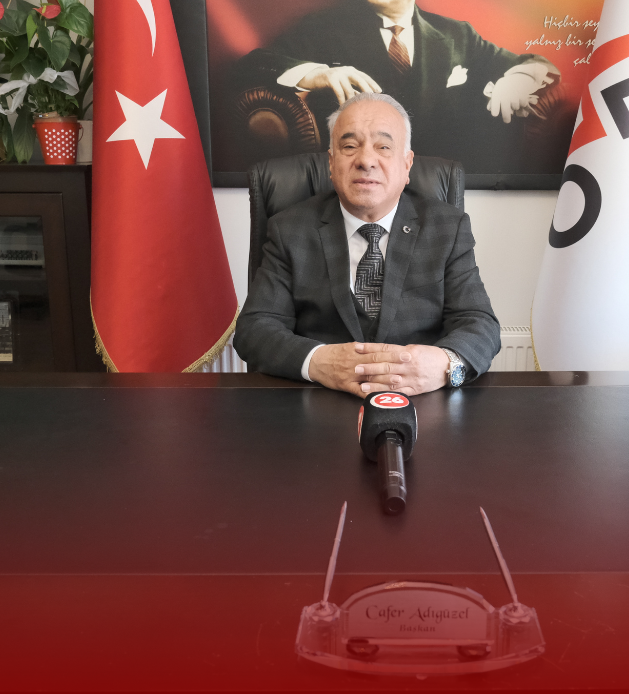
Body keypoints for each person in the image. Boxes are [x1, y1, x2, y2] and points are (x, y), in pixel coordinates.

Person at [234, 93, 500, 397]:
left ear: (406, 164)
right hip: (320, 402)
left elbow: (480, 324)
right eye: (349, 146)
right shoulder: (290, 229)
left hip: (420, 404)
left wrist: (445, 364)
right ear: (331, 163)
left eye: (383, 147)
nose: (365, 161)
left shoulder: (447, 227)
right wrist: (318, 361)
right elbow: (255, 329)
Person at [232, 0, 558, 171]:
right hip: (359, 184)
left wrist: (518, 79)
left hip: (439, 190)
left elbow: (537, 64)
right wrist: (317, 74)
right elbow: (251, 65)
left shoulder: (457, 35)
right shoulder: (324, 29)